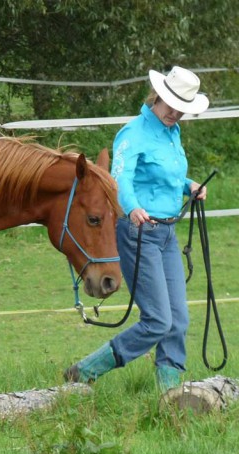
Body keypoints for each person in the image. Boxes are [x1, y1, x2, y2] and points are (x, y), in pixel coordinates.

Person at [64, 66, 209, 392]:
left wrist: (190, 186)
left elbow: (165, 176)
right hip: (139, 233)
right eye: (170, 104)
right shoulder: (133, 133)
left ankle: (170, 395)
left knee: (178, 320)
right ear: (157, 97)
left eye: (181, 108)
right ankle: (86, 370)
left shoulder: (172, 133)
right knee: (158, 320)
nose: (175, 113)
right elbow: (121, 177)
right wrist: (131, 207)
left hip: (167, 233)